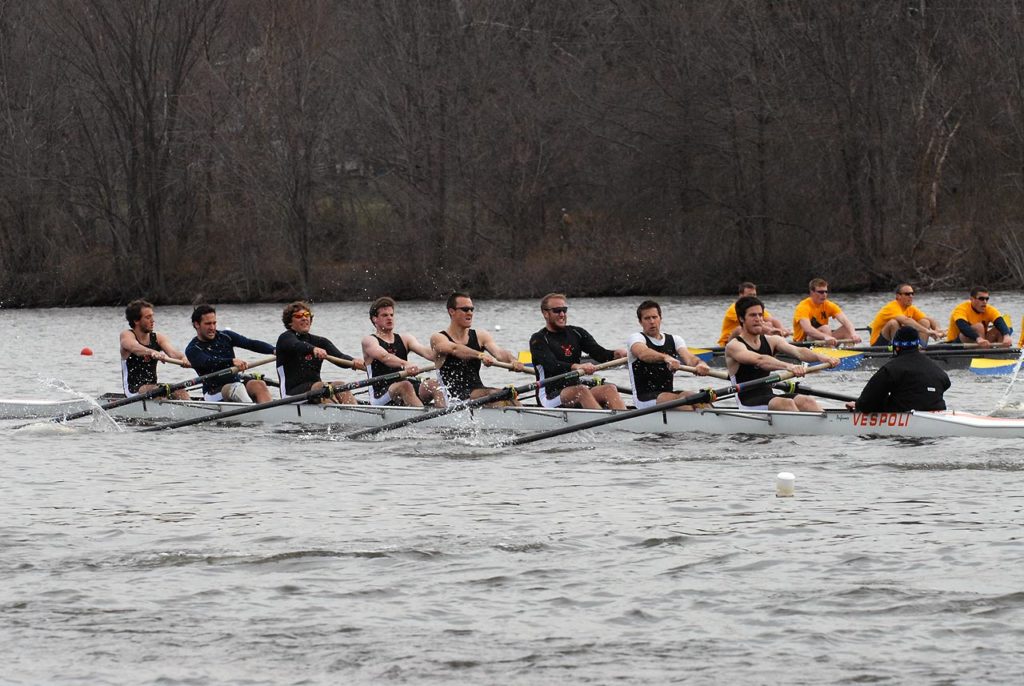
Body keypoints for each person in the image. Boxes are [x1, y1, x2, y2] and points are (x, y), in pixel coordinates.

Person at [726, 295, 839, 411]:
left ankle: (826, 427)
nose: (758, 319)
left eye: (760, 315)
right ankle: (801, 428)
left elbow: (799, 351)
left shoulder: (772, 340)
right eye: (752, 315)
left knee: (807, 401)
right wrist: (789, 366)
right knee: (787, 404)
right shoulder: (734, 346)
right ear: (741, 319)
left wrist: (823, 358)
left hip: (769, 396)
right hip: (747, 403)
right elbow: (760, 360)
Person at [528, 292, 628, 410]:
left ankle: (627, 424)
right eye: (557, 310)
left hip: (575, 391)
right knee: (581, 390)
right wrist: (577, 366)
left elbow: (600, 354)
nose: (562, 314)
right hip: (549, 396)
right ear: (545, 313)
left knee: (609, 389)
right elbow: (552, 365)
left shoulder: (577, 333)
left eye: (564, 310)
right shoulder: (538, 339)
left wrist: (616, 354)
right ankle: (605, 424)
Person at [429, 292, 526, 406]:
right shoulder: (438, 338)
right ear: (452, 311)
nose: (470, 313)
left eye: (472, 309)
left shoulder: (481, 336)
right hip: (453, 398)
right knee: (496, 395)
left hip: (478, 392)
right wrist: (480, 355)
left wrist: (513, 360)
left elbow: (499, 353)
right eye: (465, 309)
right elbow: (455, 349)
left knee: (509, 396)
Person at [275, 301, 365, 404]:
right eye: (299, 316)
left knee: (340, 386)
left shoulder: (320, 341)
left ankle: (355, 412)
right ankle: (336, 415)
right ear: (290, 322)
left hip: (315, 391)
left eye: (307, 315)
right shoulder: (285, 338)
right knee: (321, 387)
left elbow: (339, 357)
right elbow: (297, 345)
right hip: (290, 394)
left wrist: (354, 362)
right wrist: (313, 349)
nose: (304, 318)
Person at [628, 300, 712, 410]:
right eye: (647, 318)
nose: (652, 321)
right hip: (644, 399)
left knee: (697, 398)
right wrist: (665, 357)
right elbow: (643, 353)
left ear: (660, 318)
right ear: (640, 322)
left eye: (654, 317)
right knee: (684, 405)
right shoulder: (636, 338)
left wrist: (700, 363)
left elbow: (689, 358)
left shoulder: (675, 339)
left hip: (668, 396)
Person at [185, 304, 275, 403]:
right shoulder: (193, 349)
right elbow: (209, 363)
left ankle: (269, 412)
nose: (212, 327)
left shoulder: (226, 336)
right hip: (213, 393)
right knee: (236, 388)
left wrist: (274, 350)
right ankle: (253, 412)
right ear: (197, 324)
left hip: (236, 385)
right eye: (208, 324)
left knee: (259, 384)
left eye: (214, 323)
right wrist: (231, 361)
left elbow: (250, 343)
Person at [361, 296, 442, 407]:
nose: (389, 318)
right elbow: (384, 356)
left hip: (404, 387)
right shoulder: (369, 341)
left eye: (391, 315)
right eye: (385, 315)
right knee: (405, 385)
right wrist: (406, 364)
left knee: (435, 384)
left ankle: (445, 417)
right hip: (380, 394)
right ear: (375, 319)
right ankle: (424, 421)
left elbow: (427, 352)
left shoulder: (405, 339)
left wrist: (446, 355)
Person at [847, 326, 950, 412]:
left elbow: (867, 402)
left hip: (904, 416)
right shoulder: (937, 369)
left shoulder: (890, 369)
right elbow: (946, 383)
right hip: (938, 412)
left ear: (896, 347)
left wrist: (859, 405)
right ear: (918, 345)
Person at [119, 299, 191, 399]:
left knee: (180, 391)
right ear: (136, 320)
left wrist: (183, 358)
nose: (152, 320)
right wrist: (152, 352)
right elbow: (134, 347)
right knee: (156, 391)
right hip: (134, 391)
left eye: (152, 316)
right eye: (148, 317)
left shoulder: (158, 337)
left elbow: (173, 353)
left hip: (153, 388)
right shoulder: (127, 335)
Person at [792, 277, 863, 346]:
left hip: (825, 340)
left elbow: (845, 321)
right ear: (812, 292)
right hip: (802, 343)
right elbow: (808, 329)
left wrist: (854, 334)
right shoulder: (803, 307)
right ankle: (830, 352)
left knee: (847, 329)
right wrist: (825, 336)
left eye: (826, 292)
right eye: (821, 292)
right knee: (825, 328)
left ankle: (848, 354)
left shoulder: (829, 305)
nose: (824, 295)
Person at [867, 284, 945, 346]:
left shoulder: (910, 308)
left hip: (898, 339)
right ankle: (898, 351)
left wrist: (937, 330)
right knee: (893, 323)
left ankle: (921, 349)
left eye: (912, 293)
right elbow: (906, 321)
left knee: (925, 322)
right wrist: (927, 331)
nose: (911, 296)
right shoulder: (891, 307)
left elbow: (930, 319)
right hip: (878, 343)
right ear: (898, 296)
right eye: (907, 294)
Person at [717, 282, 791, 345]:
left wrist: (782, 330)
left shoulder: (754, 308)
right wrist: (771, 331)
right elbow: (752, 324)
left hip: (747, 338)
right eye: (750, 295)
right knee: (743, 328)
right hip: (728, 342)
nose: (753, 298)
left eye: (754, 295)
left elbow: (772, 320)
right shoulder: (733, 309)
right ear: (741, 295)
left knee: (768, 323)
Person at [946, 287, 1013, 348]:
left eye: (987, 299)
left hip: (979, 342)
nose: (985, 302)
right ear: (972, 299)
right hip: (956, 344)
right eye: (981, 299)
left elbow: (999, 321)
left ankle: (1002, 355)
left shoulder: (989, 309)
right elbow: (962, 326)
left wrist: (1006, 335)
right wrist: (978, 338)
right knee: (979, 327)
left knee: (1001, 330)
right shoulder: (961, 309)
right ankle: (983, 354)